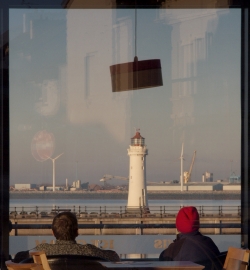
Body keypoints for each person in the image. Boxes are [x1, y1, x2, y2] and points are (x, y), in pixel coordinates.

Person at [14, 211, 120, 262]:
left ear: (53, 233)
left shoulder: (43, 250)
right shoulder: (89, 251)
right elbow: (114, 256)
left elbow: (19, 257)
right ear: (77, 232)